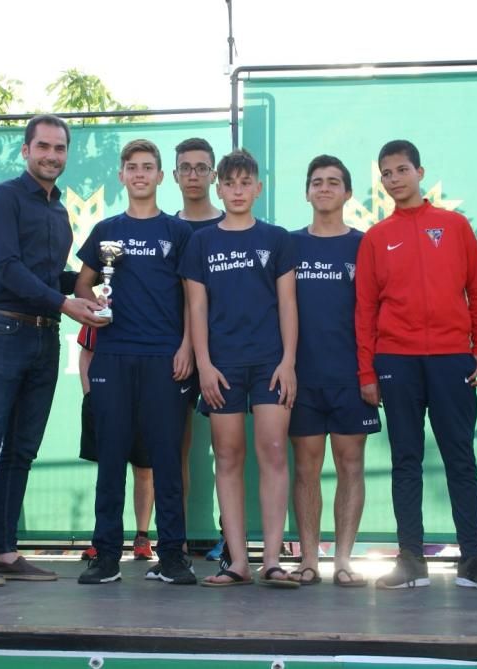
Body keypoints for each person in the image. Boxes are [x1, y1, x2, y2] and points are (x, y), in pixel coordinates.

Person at [0, 114, 105, 587]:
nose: (52, 156)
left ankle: (4, 551)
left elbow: (44, 278)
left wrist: (86, 290)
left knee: (22, 450)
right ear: (26, 150)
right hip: (3, 332)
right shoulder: (3, 197)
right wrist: (66, 301)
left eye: (60, 148)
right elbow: (6, 269)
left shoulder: (58, 210)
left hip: (43, 337)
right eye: (43, 146)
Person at [355, 139, 477, 592]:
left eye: (402, 170)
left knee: (460, 459)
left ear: (420, 172)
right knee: (406, 460)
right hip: (395, 361)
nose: (395, 179)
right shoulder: (376, 238)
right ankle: (410, 560)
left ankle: (473, 561)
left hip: (450, 359)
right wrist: (367, 372)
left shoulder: (455, 226)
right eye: (386, 173)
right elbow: (364, 310)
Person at [74, 139, 196, 585]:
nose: (140, 174)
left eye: (148, 167)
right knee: (111, 458)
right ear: (122, 176)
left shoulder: (178, 233)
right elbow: (84, 286)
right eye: (132, 167)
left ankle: (172, 558)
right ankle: (106, 556)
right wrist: (96, 308)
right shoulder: (106, 230)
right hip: (114, 356)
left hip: (165, 358)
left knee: (166, 459)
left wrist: (186, 347)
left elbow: (193, 298)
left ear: (162, 177)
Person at [179, 148, 299, 588]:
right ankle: (237, 562)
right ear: (219, 186)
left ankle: (271, 560)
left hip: (270, 363)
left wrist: (288, 361)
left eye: (245, 183)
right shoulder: (202, 242)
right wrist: (204, 365)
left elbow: (288, 304)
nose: (237, 190)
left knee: (272, 454)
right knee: (227, 458)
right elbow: (196, 306)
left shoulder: (277, 238)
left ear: (258, 187)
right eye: (229, 183)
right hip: (222, 366)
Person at [289, 155, 381, 587]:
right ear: (306, 191)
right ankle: (309, 559)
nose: (324, 188)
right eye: (316, 182)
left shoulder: (366, 245)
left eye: (333, 182)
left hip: (351, 376)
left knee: (351, 465)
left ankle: (343, 559)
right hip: (302, 378)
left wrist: (372, 371)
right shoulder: (289, 245)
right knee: (306, 469)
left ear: (347, 193)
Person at [171, 137, 226, 563]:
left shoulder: (231, 225)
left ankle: (233, 540)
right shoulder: (166, 228)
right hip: (171, 355)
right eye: (185, 167)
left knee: (228, 451)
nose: (193, 174)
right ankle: (177, 540)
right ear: (174, 175)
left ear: (214, 176)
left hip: (224, 354)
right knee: (176, 449)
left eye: (200, 167)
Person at [75, 324, 156, 563]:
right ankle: (104, 540)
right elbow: (86, 352)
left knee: (144, 469)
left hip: (144, 400)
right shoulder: (102, 307)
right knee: (109, 469)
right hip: (106, 400)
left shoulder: (151, 306)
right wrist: (90, 394)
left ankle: (142, 537)